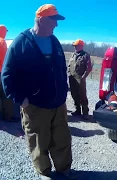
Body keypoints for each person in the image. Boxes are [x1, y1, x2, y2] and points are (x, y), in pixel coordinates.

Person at [1, 4, 76, 180]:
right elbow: (7, 75)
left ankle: (64, 170)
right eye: (53, 20)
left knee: (62, 139)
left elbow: (60, 69)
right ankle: (44, 172)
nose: (56, 25)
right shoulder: (21, 42)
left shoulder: (54, 41)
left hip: (58, 104)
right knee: (38, 141)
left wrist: (63, 91)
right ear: (42, 20)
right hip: (34, 105)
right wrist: (20, 98)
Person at [67, 39, 92, 120]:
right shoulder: (72, 55)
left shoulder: (85, 55)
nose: (75, 47)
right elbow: (69, 66)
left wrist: (83, 77)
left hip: (80, 79)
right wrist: (68, 74)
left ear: (81, 46)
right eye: (74, 46)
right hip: (72, 78)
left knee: (82, 95)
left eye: (76, 46)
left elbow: (88, 68)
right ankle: (77, 110)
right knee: (74, 95)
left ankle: (85, 112)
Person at [0, 25, 15, 122]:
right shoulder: (2, 42)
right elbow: (6, 59)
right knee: (6, 94)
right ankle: (8, 116)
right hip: (1, 71)